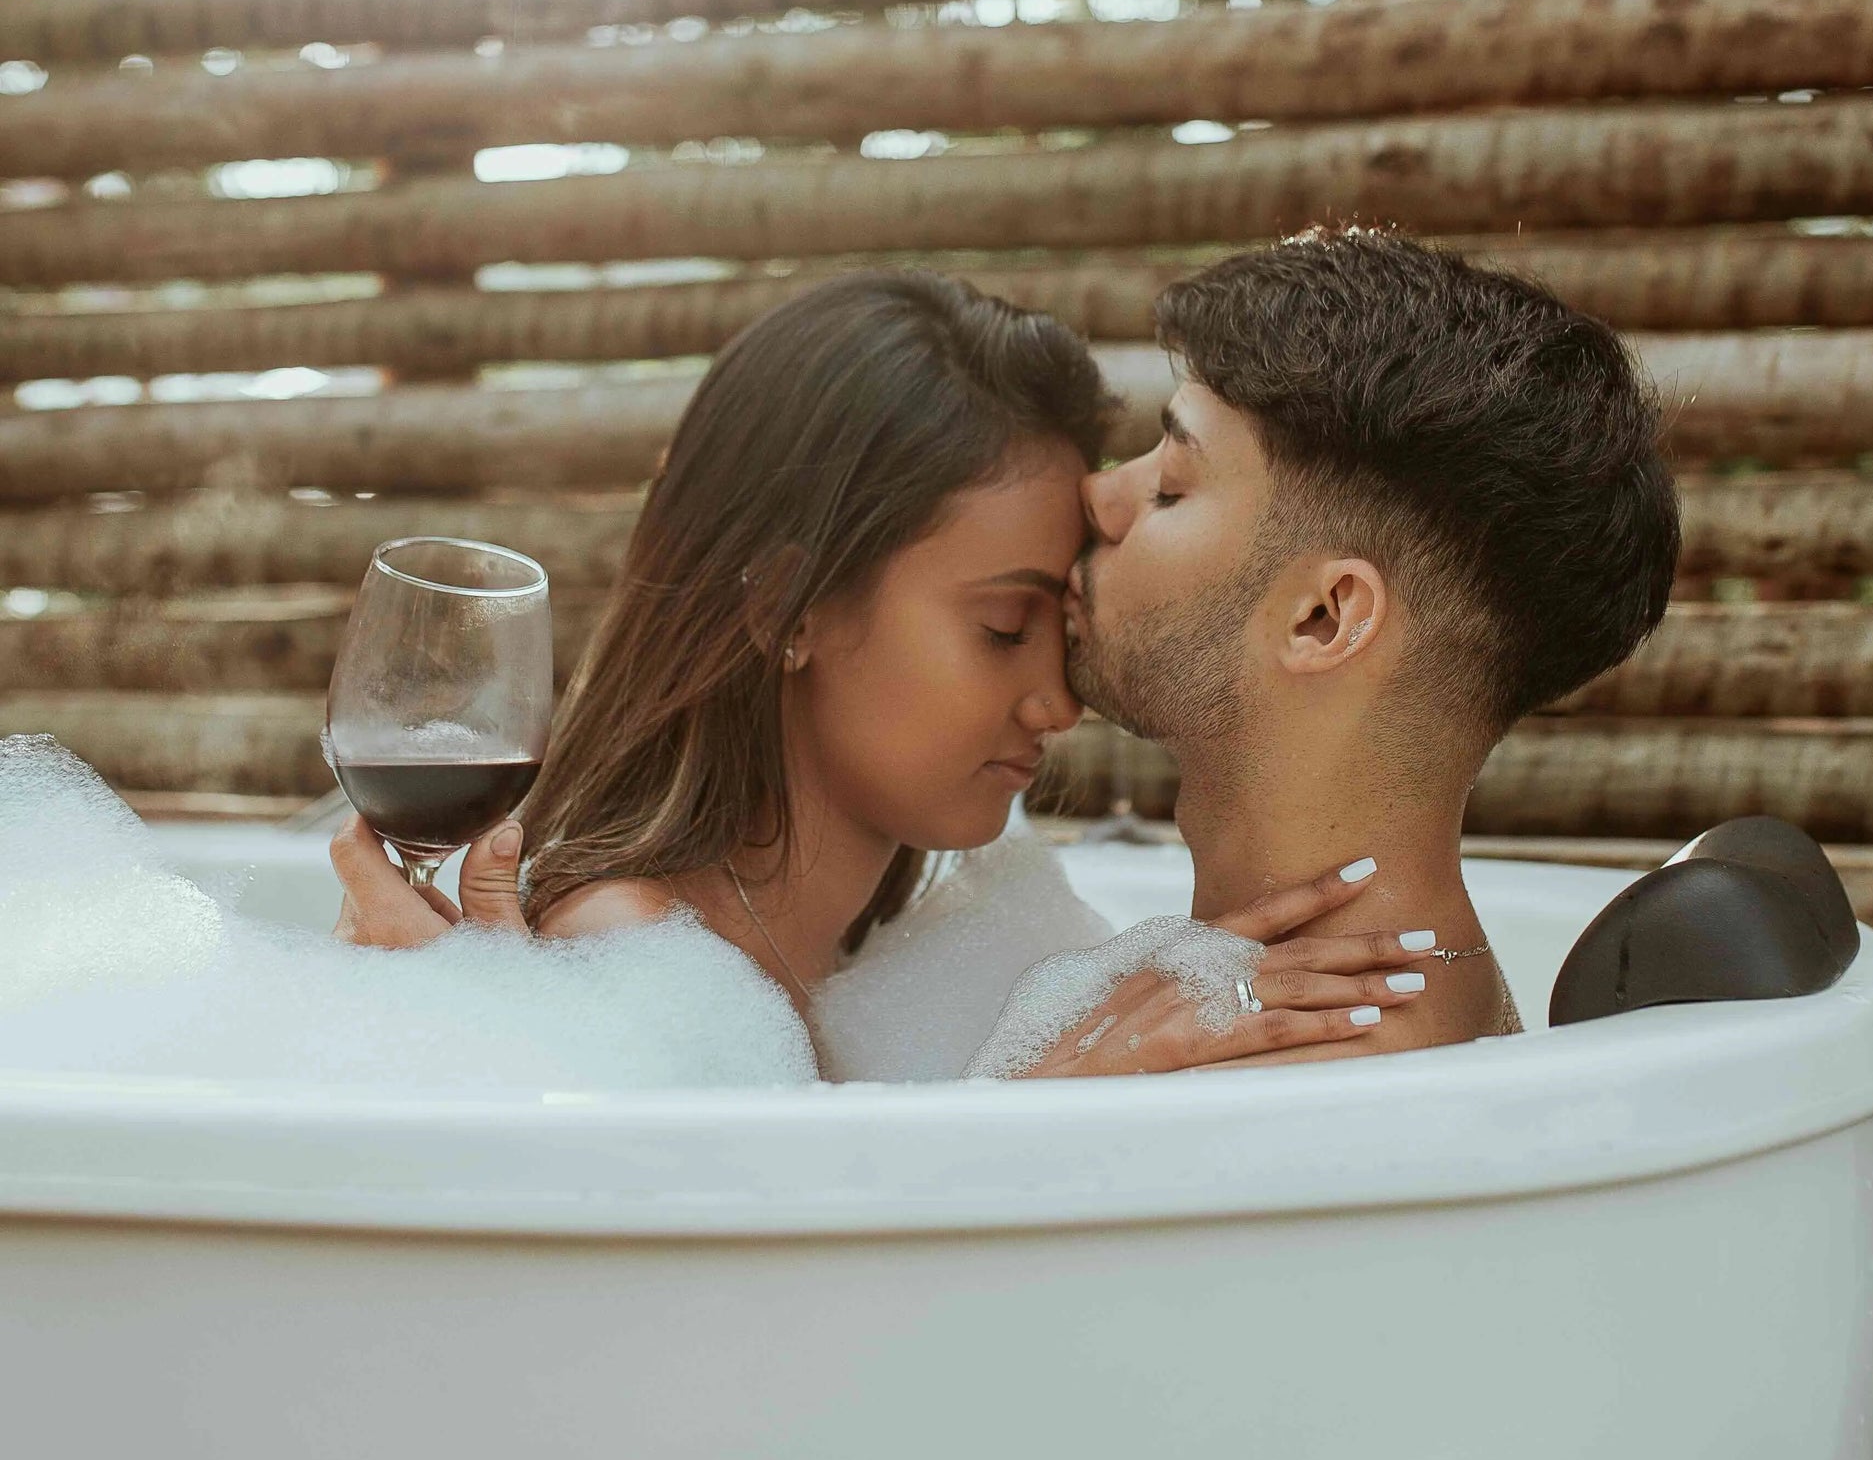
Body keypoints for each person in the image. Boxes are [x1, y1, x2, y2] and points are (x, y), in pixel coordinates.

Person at [332, 270, 1435, 1074]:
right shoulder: (626, 963)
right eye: (1003, 628)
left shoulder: (931, 937)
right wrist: (1044, 1102)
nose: (1055, 702)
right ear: (785, 608)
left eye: (1058, 628)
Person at [1040, 228, 1681, 1068]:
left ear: (1323, 618)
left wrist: (1031, 1097)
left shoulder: (1297, 1081)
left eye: (1170, 488)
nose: (1100, 494)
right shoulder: (1281, 1017)